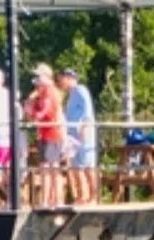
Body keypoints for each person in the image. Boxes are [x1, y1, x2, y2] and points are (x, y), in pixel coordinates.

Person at [26, 63, 66, 206]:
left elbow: (45, 113)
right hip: (43, 134)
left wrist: (33, 111)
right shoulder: (41, 94)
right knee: (45, 167)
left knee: (51, 167)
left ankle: (54, 199)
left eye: (38, 76)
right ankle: (48, 199)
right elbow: (31, 113)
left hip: (52, 134)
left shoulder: (50, 93)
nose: (36, 80)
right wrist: (31, 103)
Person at [57, 68, 99, 204]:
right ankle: (83, 196)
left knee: (88, 166)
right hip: (73, 135)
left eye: (62, 79)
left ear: (69, 78)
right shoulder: (70, 96)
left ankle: (94, 196)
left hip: (84, 133)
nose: (61, 82)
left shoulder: (81, 90)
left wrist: (85, 126)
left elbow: (87, 110)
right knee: (76, 166)